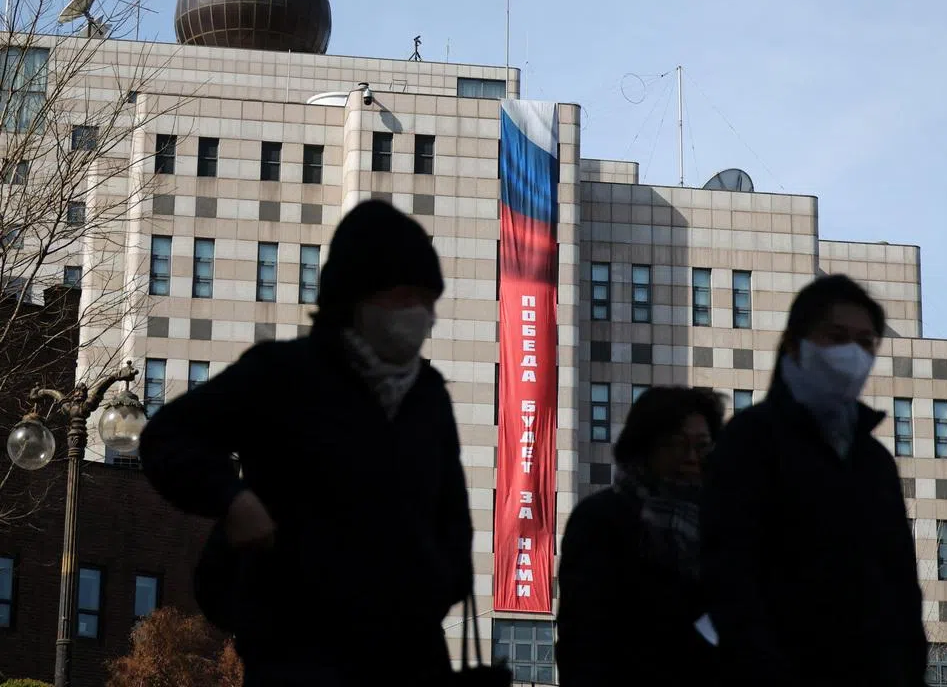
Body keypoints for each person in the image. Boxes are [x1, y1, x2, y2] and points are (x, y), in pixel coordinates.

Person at [140, 200, 473, 687]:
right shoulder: (284, 375)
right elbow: (168, 435)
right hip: (299, 653)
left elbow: (453, 520)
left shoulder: (429, 398)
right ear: (358, 296)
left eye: (427, 300)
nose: (419, 315)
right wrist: (233, 500)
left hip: (407, 658)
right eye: (404, 297)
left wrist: (431, 582)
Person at [701, 274, 928, 686]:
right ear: (794, 343)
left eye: (865, 343)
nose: (852, 354)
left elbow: (900, 590)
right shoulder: (750, 439)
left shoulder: (874, 461)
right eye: (836, 336)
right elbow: (730, 576)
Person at [556, 386, 725, 687]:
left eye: (702, 446)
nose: (691, 458)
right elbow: (582, 638)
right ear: (644, 448)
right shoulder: (601, 519)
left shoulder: (724, 522)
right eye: (676, 444)